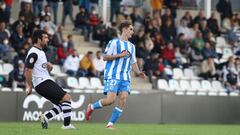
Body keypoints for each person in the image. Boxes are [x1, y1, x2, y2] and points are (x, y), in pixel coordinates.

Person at [85, 21, 146, 129]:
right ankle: (92, 107)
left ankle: (110, 124)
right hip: (113, 75)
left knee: (123, 99)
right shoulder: (114, 42)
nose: (132, 31)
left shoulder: (132, 46)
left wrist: (138, 72)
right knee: (110, 100)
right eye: (131, 29)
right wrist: (120, 55)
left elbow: (133, 61)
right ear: (124, 29)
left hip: (125, 77)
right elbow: (105, 57)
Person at [24, 30, 75, 129]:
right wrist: (29, 86)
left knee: (63, 103)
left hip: (44, 81)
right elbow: (28, 70)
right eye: (45, 38)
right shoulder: (34, 52)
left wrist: (48, 64)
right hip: (42, 82)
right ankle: (67, 125)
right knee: (67, 98)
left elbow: (37, 65)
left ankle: (46, 117)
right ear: (39, 39)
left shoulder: (40, 51)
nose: (48, 39)